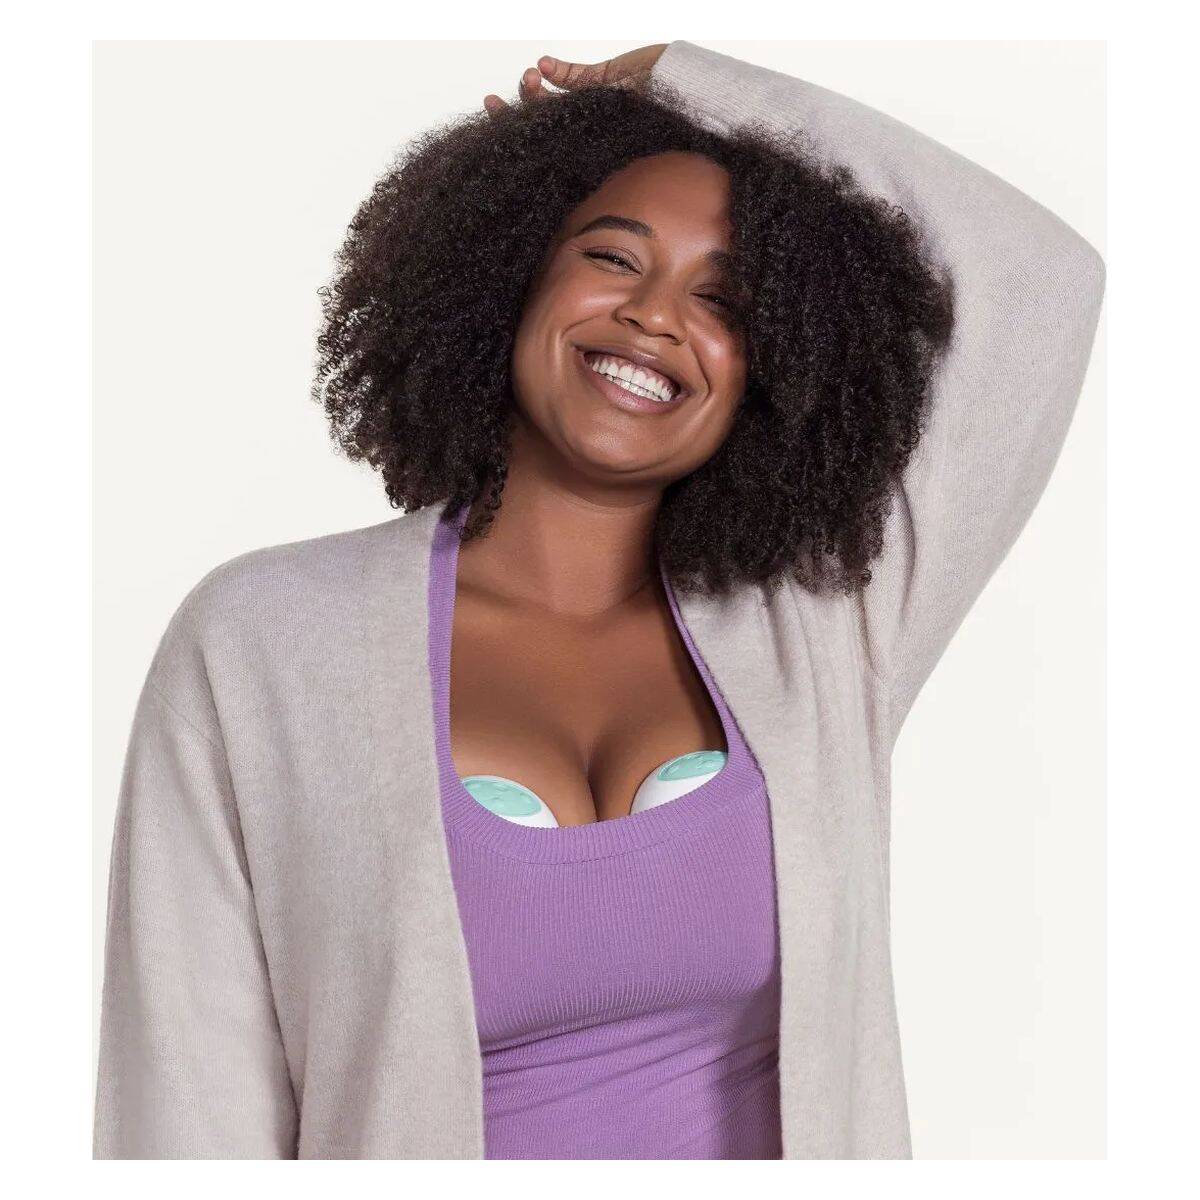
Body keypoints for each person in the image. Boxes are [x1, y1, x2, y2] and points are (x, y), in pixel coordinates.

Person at [93, 41, 1105, 1159]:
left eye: (725, 300)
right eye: (614, 258)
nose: (656, 316)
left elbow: (1044, 284)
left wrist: (684, 79)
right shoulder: (267, 641)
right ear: (509, 274)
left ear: (775, 366)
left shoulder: (827, 629)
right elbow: (186, 1094)